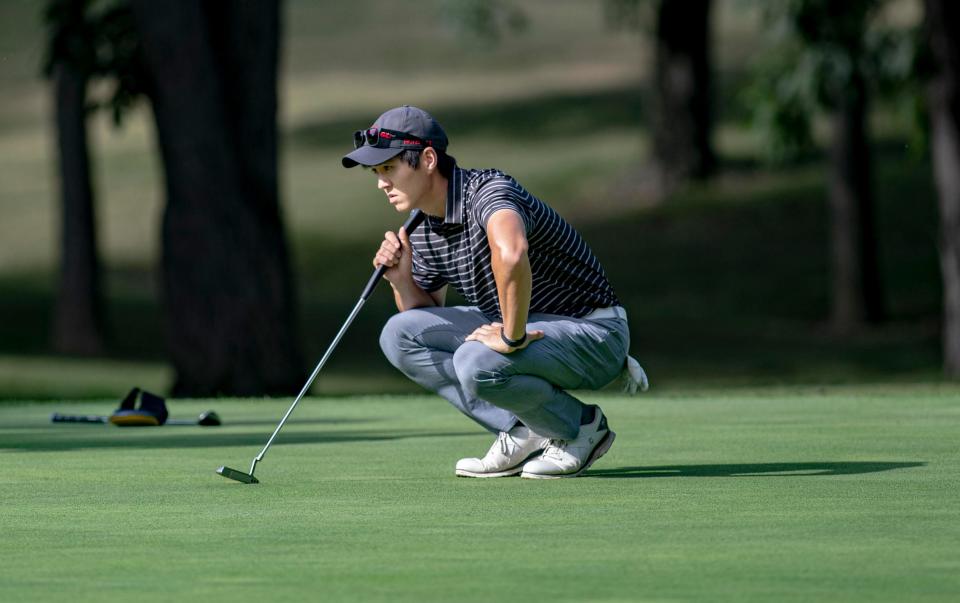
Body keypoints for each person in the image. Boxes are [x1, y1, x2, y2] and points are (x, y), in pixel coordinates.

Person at [342, 105, 647, 479]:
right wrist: (401, 279)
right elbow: (423, 315)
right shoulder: (422, 227)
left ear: (427, 159)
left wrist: (510, 335)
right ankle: (523, 430)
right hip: (532, 333)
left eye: (388, 168)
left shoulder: (488, 191)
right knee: (399, 334)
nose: (380, 182)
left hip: (594, 332)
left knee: (475, 360)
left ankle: (579, 427)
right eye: (376, 172)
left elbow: (512, 252)